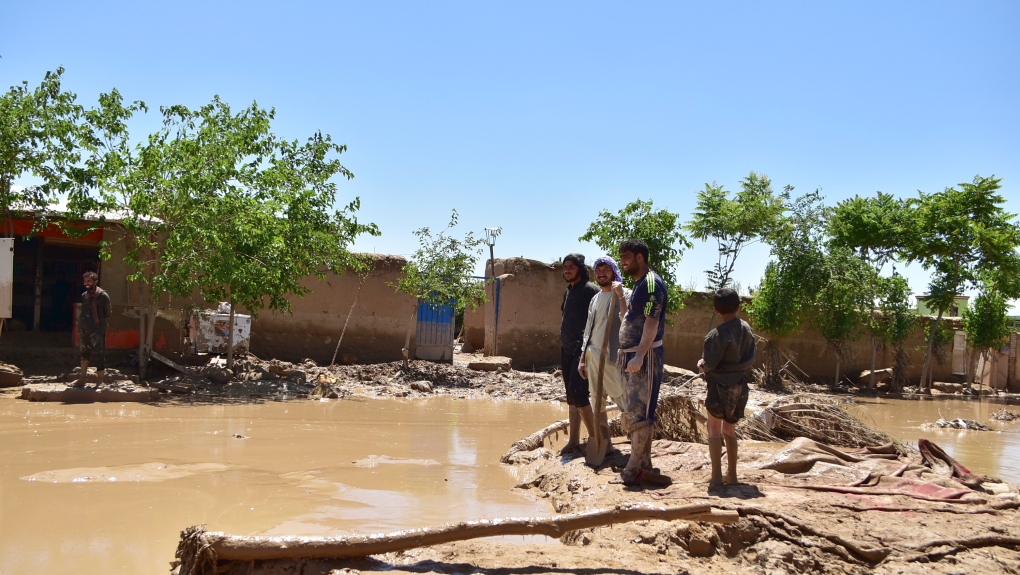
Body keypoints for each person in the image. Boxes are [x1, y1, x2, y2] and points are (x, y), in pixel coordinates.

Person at [616, 239, 669, 485]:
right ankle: (644, 463)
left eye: (626, 256)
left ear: (640, 257)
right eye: (621, 257)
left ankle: (632, 467)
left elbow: (651, 322)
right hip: (633, 356)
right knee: (637, 409)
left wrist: (639, 355)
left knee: (640, 411)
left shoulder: (651, 284)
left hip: (644, 358)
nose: (622, 261)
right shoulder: (639, 284)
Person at [697, 288, 756, 487]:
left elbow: (710, 364)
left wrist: (702, 365)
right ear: (739, 307)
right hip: (740, 385)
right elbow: (751, 357)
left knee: (713, 429)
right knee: (729, 428)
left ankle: (716, 478)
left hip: (718, 386)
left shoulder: (714, 336)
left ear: (716, 309)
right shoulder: (746, 329)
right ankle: (732, 475)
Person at [578, 256, 630, 447]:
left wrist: (620, 296)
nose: (601, 274)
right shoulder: (596, 298)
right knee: (597, 401)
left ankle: (635, 443)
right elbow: (589, 329)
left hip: (613, 358)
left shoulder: (626, 294)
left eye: (605, 270)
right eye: (598, 271)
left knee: (623, 400)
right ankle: (604, 443)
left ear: (614, 272)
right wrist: (582, 358)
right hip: (592, 356)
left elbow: (627, 319)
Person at [559, 253, 599, 454]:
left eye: (571, 267)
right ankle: (573, 440)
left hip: (583, 350)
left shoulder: (591, 291)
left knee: (579, 392)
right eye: (565, 267)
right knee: (570, 396)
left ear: (580, 269)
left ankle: (595, 439)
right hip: (566, 348)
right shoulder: (568, 291)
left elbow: (600, 321)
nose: (567, 270)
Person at [76, 271, 112, 388]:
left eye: (89, 281)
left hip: (97, 329)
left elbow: (108, 313)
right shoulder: (84, 296)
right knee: (84, 352)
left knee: (99, 353)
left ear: (95, 282)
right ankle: (82, 378)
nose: (86, 283)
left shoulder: (103, 296)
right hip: (84, 328)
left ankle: (100, 380)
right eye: (85, 281)